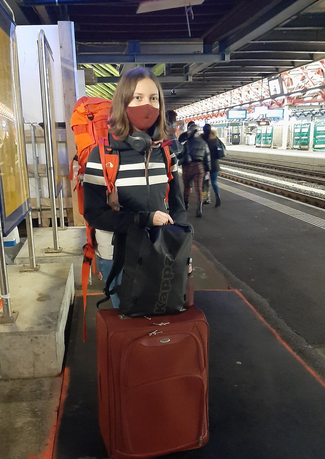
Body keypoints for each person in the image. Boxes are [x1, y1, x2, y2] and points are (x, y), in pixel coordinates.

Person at [83, 67, 186, 307]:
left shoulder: (167, 152)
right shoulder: (102, 154)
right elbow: (94, 213)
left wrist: (182, 245)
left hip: (162, 251)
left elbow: (178, 205)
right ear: (123, 101)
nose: (146, 106)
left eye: (153, 99)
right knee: (130, 324)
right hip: (119, 256)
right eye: (137, 98)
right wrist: (143, 219)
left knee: (162, 321)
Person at [178, 122, 211, 217]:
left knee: (187, 187)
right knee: (198, 188)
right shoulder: (204, 143)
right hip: (199, 167)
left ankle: (186, 205)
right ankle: (199, 208)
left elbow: (182, 154)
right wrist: (208, 169)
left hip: (187, 167)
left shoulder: (187, 143)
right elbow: (207, 157)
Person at [204, 128, 224, 208]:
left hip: (207, 166)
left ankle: (207, 198)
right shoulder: (217, 141)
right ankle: (217, 196)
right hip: (216, 165)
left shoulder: (207, 142)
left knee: (205, 183)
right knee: (214, 182)